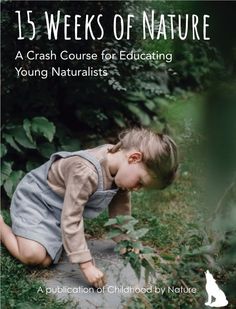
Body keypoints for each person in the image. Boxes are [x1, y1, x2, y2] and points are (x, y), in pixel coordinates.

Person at [0, 128, 178, 288]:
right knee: (33, 256)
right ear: (133, 158)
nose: (137, 189)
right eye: (140, 182)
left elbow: (120, 213)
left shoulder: (120, 169)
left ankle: (60, 238)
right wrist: (87, 265)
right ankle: (1, 226)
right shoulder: (86, 171)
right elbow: (72, 218)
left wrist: (128, 244)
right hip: (37, 200)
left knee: (47, 261)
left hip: (61, 210)